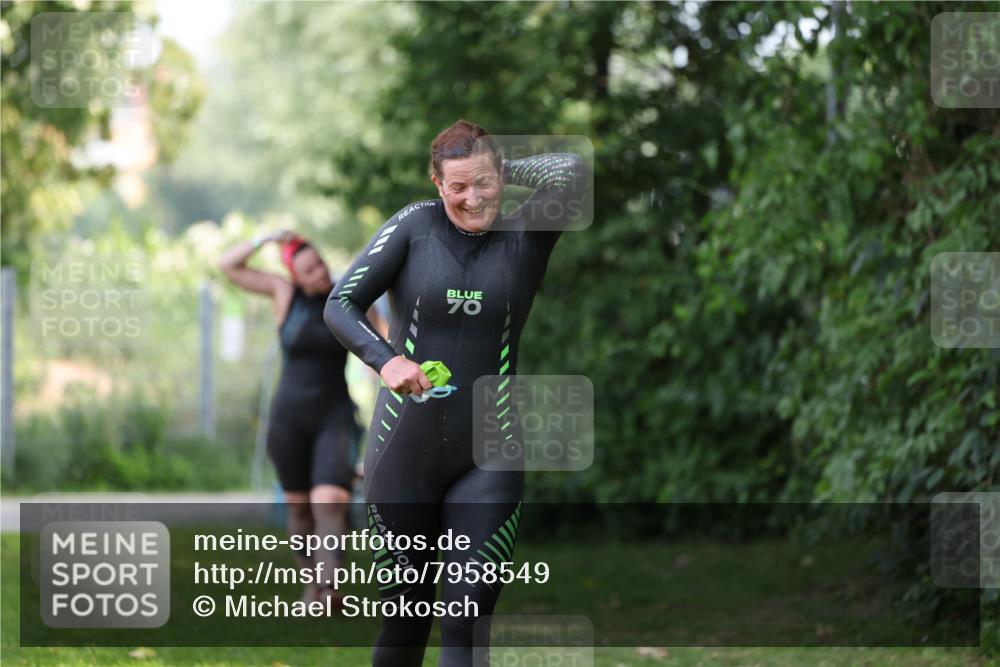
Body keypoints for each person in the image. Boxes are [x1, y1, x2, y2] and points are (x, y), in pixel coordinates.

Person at [324, 119, 587, 666]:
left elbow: (572, 170)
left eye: (483, 183)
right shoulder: (414, 226)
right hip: (404, 448)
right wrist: (386, 359)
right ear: (437, 184)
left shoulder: (528, 232)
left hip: (490, 452)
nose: (473, 199)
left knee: (467, 620)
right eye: (457, 186)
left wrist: (495, 164)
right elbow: (339, 303)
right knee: (406, 617)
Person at [218, 231, 386, 605]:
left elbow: (383, 345)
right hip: (288, 420)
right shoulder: (284, 294)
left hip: (335, 415)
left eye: (321, 265)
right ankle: (311, 583)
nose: (319, 274)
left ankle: (329, 588)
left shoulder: (348, 299)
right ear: (294, 275)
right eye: (309, 271)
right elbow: (227, 266)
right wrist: (267, 238)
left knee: (329, 501)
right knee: (299, 510)